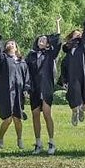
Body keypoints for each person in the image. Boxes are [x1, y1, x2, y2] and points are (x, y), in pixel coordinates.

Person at [25, 17, 62, 155]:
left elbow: (57, 40)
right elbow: (26, 72)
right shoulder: (31, 55)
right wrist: (26, 87)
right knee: (35, 115)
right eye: (40, 39)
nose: (41, 40)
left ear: (47, 44)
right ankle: (38, 143)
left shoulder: (51, 54)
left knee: (47, 113)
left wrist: (57, 24)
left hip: (46, 87)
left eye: (44, 39)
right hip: (34, 88)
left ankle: (52, 142)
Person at [0, 29, 30, 151]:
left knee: (17, 119)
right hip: (5, 93)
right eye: (8, 43)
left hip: (18, 93)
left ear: (16, 48)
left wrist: (26, 89)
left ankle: (19, 139)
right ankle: (0, 138)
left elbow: (26, 77)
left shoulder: (22, 62)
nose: (10, 44)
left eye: (13, 43)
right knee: (8, 119)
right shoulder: (3, 59)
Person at [62, 7, 85, 127]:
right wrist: (64, 80)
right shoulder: (69, 51)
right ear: (71, 37)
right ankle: (75, 112)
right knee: (73, 100)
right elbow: (64, 66)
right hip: (73, 78)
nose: (78, 35)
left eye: (80, 34)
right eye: (76, 34)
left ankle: (82, 109)